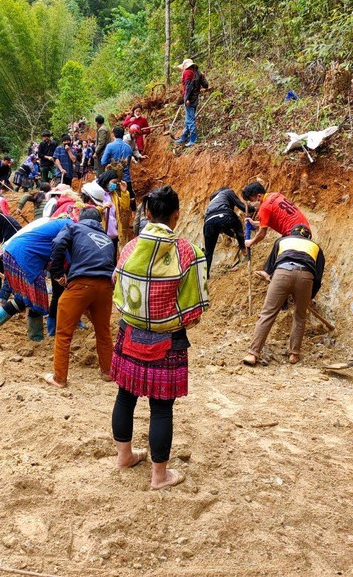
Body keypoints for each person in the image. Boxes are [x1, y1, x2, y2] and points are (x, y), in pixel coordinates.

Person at [110, 186, 209, 490]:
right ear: (177, 215)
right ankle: (159, 476)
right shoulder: (189, 252)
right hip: (168, 341)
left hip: (129, 333)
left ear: (148, 214)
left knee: (125, 397)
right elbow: (195, 309)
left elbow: (117, 287)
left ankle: (124, 457)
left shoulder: (129, 248)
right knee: (162, 408)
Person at [44, 207, 116, 388]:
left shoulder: (73, 228)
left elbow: (58, 243)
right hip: (106, 286)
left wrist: (57, 272)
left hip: (82, 283)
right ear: (100, 222)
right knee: (103, 331)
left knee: (64, 332)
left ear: (80, 219)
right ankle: (108, 371)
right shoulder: (107, 239)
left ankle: (59, 378)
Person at [0, 216, 74, 348]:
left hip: (15, 252)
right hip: (24, 257)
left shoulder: (59, 223)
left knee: (25, 299)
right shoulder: (70, 226)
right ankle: (35, 337)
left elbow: (52, 253)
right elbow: (64, 251)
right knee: (36, 297)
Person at [242, 225, 325, 366]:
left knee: (268, 313)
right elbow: (317, 278)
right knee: (300, 316)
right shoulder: (316, 247)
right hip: (306, 277)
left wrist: (269, 276)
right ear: (308, 237)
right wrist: (308, 297)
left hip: (282, 273)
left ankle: (252, 354)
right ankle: (293, 354)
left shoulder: (282, 241)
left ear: (291, 233)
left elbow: (269, 268)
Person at [242, 182, 310, 251]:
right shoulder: (276, 195)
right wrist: (253, 223)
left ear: (259, 196)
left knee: (275, 253)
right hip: (306, 229)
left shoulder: (264, 207)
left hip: (295, 235)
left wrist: (250, 242)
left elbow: (261, 234)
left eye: (251, 200)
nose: (251, 204)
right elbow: (268, 222)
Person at [202, 187, 250, 277]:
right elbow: (242, 207)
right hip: (223, 215)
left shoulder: (212, 202)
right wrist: (254, 209)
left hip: (208, 222)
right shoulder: (227, 192)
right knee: (237, 223)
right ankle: (243, 248)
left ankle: (205, 275)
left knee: (208, 251)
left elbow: (222, 228)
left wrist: (233, 235)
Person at [175, 59, 209, 147]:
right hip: (195, 99)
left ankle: (193, 139)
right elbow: (206, 85)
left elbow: (188, 87)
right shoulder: (197, 72)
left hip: (190, 99)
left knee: (190, 120)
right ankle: (184, 136)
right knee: (188, 119)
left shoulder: (187, 72)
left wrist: (186, 99)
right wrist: (203, 77)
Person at [101, 126, 136, 209]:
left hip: (113, 180)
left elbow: (103, 161)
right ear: (123, 134)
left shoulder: (110, 146)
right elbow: (129, 163)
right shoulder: (128, 147)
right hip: (126, 179)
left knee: (113, 200)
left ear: (113, 134)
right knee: (128, 201)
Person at [97, 170, 131, 254]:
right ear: (106, 180)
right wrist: (102, 208)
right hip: (101, 235)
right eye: (113, 182)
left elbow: (124, 207)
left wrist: (124, 193)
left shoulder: (113, 194)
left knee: (112, 260)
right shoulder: (97, 193)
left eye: (116, 183)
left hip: (114, 236)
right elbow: (91, 209)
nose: (114, 185)